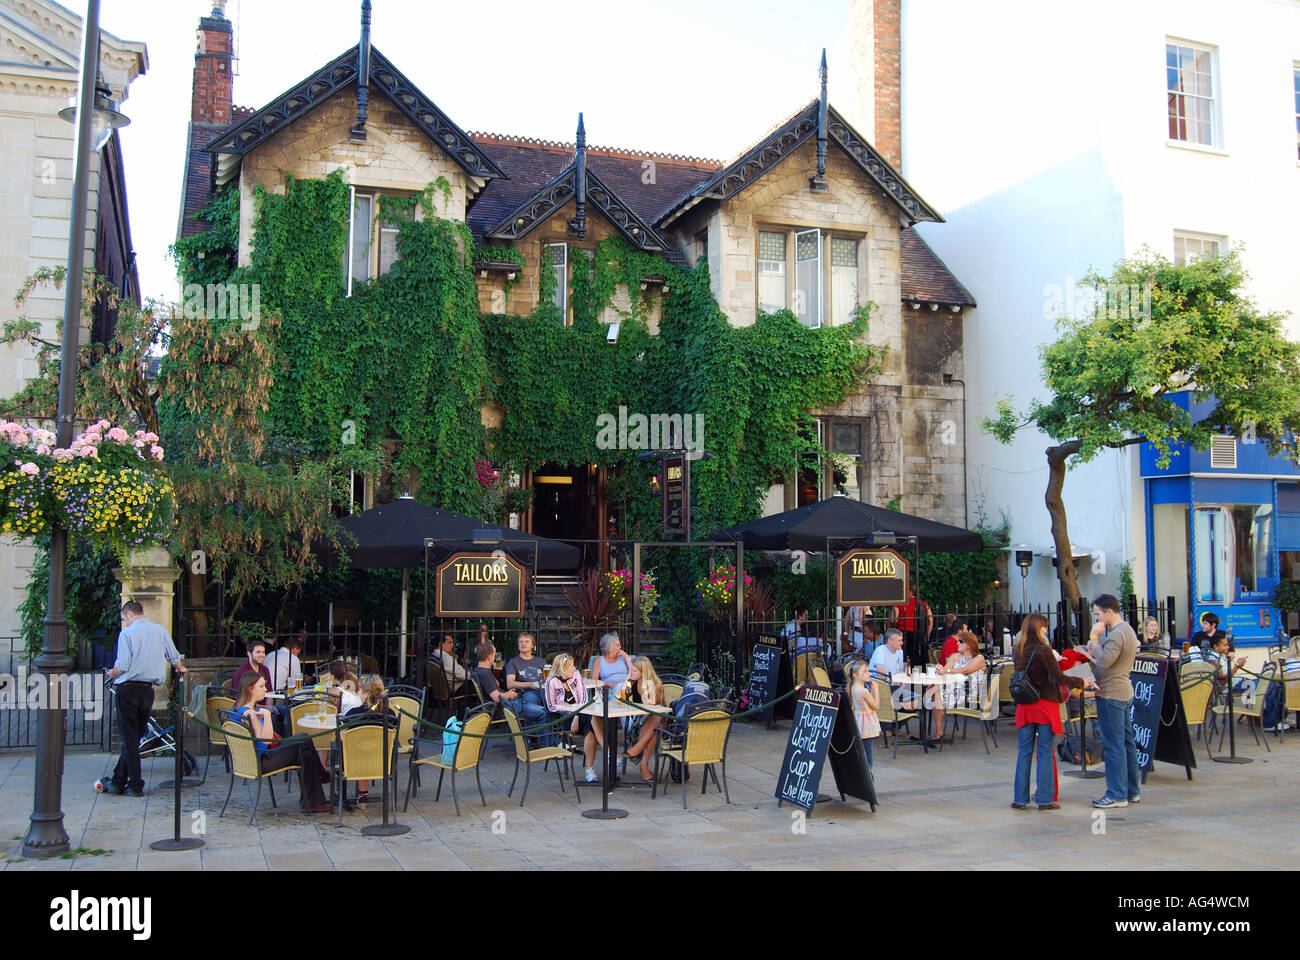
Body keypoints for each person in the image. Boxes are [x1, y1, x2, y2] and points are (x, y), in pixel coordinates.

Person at [1011, 612, 1096, 810]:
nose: (1046, 630)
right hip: (1044, 704)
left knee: (1024, 752)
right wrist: (1081, 681)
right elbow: (1059, 678)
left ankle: (1020, 798)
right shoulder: (1043, 650)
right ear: (1036, 628)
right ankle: (1045, 798)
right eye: (1044, 627)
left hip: (1025, 704)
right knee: (1045, 751)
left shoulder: (1018, 649)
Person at [101, 601, 186, 796]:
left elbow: (122, 665)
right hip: (148, 691)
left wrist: (111, 674)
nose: (124, 623)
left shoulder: (127, 634)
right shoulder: (160, 631)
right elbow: (174, 657)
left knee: (130, 739)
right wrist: (181, 669)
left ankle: (135, 785)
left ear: (130, 614)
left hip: (128, 690)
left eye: (124, 619)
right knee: (135, 737)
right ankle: (117, 780)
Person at [231, 672, 330, 814]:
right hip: (263, 760)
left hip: (255, 758)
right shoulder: (250, 714)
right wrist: (266, 714)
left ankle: (314, 799)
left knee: (305, 745)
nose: (265, 689)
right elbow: (265, 740)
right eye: (261, 686)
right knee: (304, 743)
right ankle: (320, 779)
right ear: (250, 689)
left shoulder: (238, 709)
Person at [1086, 593, 1141, 809]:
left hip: (1111, 694)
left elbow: (1106, 661)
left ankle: (1117, 794)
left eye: (1098, 614)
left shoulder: (1118, 634)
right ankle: (1131, 790)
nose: (1097, 619)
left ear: (1110, 611)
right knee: (1126, 743)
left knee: (1113, 745)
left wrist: (1094, 639)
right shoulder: (1127, 630)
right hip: (1122, 691)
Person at [587, 632, 641, 783]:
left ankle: (630, 732)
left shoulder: (624, 659)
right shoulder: (599, 661)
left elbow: (634, 675)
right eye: (617, 645)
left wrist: (628, 659)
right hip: (608, 693)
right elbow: (594, 681)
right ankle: (630, 732)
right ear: (609, 647)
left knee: (622, 694)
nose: (620, 647)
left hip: (626, 692)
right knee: (619, 694)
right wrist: (610, 684)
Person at [473, 640, 548, 743]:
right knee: (543, 712)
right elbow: (496, 697)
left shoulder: (479, 671)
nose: (494, 658)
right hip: (506, 707)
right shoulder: (485, 674)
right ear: (489, 656)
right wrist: (509, 694)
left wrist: (507, 693)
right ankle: (548, 745)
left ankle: (532, 740)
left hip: (505, 705)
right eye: (494, 655)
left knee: (533, 704)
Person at [621, 656, 665, 783]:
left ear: (643, 672)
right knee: (657, 730)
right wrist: (626, 680)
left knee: (656, 718)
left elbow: (651, 706)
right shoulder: (632, 683)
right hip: (641, 721)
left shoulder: (655, 684)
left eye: (633, 671)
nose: (630, 673)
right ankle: (643, 765)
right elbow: (621, 698)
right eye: (630, 670)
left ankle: (638, 749)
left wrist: (646, 684)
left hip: (657, 717)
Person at [847, 659, 881, 769]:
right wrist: (876, 690)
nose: (868, 673)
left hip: (858, 720)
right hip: (866, 725)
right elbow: (876, 706)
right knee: (868, 757)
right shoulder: (863, 691)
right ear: (856, 675)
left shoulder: (852, 687)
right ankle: (868, 781)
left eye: (868, 671)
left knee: (861, 753)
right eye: (865, 671)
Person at [505, 632, 546, 709]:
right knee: (532, 698)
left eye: (527, 641)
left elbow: (548, 678)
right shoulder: (513, 662)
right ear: (518, 645)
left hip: (543, 691)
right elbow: (510, 684)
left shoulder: (541, 661)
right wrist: (531, 684)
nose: (523, 643)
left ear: (532, 645)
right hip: (526, 693)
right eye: (521, 642)